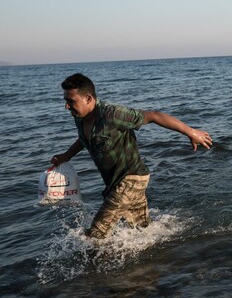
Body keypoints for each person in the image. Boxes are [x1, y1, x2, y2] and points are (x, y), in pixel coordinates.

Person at [51, 73, 213, 239]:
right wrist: (67, 155)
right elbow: (85, 139)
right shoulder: (80, 117)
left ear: (88, 98)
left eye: (71, 101)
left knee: (95, 234)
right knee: (142, 233)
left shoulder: (112, 114)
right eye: (65, 100)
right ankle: (164, 257)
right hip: (115, 183)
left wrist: (192, 132)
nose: (66, 106)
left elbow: (154, 116)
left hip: (131, 179)